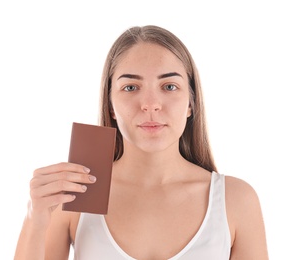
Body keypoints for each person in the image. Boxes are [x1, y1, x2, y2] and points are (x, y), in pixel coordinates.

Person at [14, 25, 268, 260]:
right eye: (130, 87)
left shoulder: (235, 200)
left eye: (169, 86)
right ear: (110, 105)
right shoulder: (74, 194)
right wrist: (35, 219)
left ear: (191, 103)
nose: (150, 104)